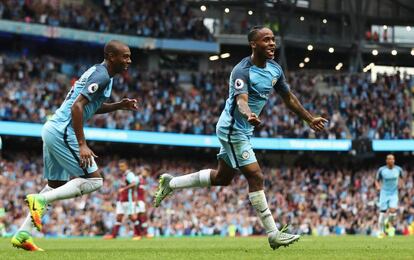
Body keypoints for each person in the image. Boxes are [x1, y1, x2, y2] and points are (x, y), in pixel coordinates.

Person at [153, 26, 328, 250]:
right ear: (254, 44)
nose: (272, 43)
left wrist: (309, 118)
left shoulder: (275, 69)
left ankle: (172, 183)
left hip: (244, 129)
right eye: (266, 40)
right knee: (256, 176)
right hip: (233, 128)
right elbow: (241, 100)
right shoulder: (241, 70)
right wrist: (248, 114)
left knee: (222, 178)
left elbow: (288, 97)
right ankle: (273, 234)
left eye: (273, 39)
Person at [11, 40, 138, 251]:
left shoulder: (101, 74)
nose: (129, 61)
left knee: (55, 186)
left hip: (52, 129)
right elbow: (77, 107)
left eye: (129, 56)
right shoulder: (102, 75)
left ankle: (23, 234)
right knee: (95, 181)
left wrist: (118, 106)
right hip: (63, 131)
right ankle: (40, 200)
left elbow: (90, 105)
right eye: (125, 56)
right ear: (111, 56)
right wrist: (82, 144)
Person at [104, 160, 141, 240]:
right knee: (119, 217)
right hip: (121, 200)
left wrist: (124, 189)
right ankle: (113, 235)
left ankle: (138, 234)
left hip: (128, 199)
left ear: (127, 166)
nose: (121, 168)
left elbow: (134, 183)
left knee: (132, 217)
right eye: (120, 166)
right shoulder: (124, 175)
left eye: (122, 166)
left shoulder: (129, 174)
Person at [375, 154, 404, 238]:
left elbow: (402, 178)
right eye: (389, 159)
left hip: (394, 193)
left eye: (393, 159)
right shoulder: (381, 170)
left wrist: (401, 184)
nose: (391, 161)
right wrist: (377, 186)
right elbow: (376, 180)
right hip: (384, 193)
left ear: (394, 160)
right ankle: (381, 232)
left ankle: (388, 224)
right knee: (382, 214)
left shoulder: (398, 169)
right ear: (386, 161)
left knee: (393, 212)